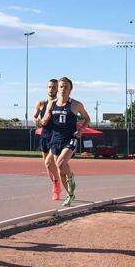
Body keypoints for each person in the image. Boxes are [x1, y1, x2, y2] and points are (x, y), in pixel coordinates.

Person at [39, 77, 91, 207]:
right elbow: (46, 117)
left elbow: (87, 118)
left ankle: (71, 177)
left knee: (60, 162)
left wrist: (81, 130)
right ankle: (70, 194)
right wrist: (43, 121)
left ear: (70, 89)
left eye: (66, 87)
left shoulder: (75, 104)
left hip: (70, 138)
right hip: (56, 139)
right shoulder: (52, 104)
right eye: (61, 86)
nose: (63, 89)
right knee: (60, 169)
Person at [33, 79, 62, 200]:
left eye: (54, 87)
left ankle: (57, 185)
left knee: (50, 163)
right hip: (44, 135)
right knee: (47, 165)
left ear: (58, 89)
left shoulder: (59, 104)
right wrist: (36, 120)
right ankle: (55, 183)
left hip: (55, 136)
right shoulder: (41, 103)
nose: (51, 89)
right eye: (49, 87)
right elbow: (34, 116)